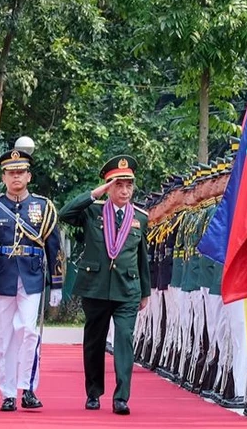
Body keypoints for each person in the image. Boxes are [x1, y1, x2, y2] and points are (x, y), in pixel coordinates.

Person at [0, 148, 63, 412]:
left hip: (32, 276)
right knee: (4, 337)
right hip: (3, 276)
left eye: (20, 172)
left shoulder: (43, 207)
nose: (16, 177)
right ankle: (8, 393)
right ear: (4, 177)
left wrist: (56, 283)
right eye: (11, 173)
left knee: (29, 331)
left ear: (29, 176)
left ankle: (29, 388)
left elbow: (54, 248)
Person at [59, 155, 151, 415]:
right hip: (95, 287)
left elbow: (142, 256)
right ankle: (93, 392)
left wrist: (145, 291)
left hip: (127, 289)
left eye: (128, 186)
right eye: (118, 185)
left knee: (124, 338)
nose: (124, 191)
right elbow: (66, 213)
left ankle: (121, 397)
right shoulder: (93, 210)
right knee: (94, 342)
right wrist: (95, 193)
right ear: (108, 186)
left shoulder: (140, 218)